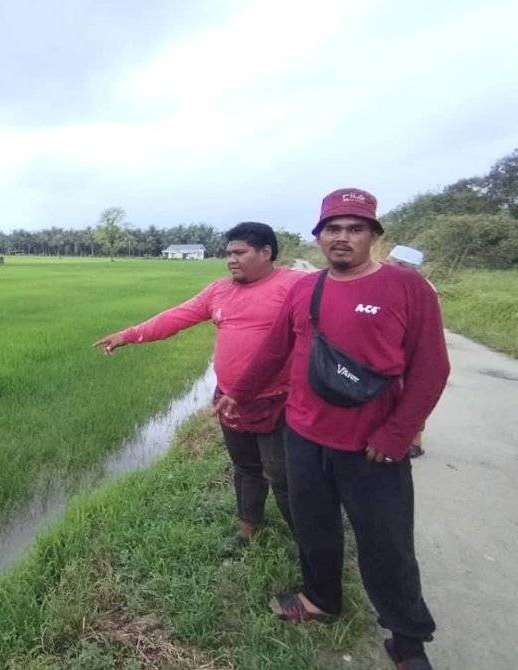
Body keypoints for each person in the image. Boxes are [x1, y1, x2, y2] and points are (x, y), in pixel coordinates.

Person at [214, 189, 449, 670]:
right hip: (303, 434)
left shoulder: (408, 288)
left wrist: (397, 433)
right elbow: (274, 352)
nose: (342, 238)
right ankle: (321, 599)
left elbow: (431, 370)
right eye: (333, 229)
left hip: (372, 446)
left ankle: (407, 638)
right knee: (316, 529)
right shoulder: (305, 290)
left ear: (373, 236)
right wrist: (238, 390)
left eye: (355, 228)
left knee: (386, 543)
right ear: (318, 237)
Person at [94, 222, 303, 549]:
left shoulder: (294, 286)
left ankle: (307, 541)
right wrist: (128, 335)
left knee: (283, 477)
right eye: (228, 253)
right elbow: (177, 316)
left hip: (278, 401)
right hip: (229, 401)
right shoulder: (220, 290)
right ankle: (249, 527)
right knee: (245, 468)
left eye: (240, 252)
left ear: (266, 253)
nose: (231, 259)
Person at [386, 244, 434, 458]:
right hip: (404, 349)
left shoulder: (421, 289)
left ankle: (414, 441)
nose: (388, 264)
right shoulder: (423, 285)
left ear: (401, 265)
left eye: (392, 262)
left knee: (410, 393)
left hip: (410, 351)